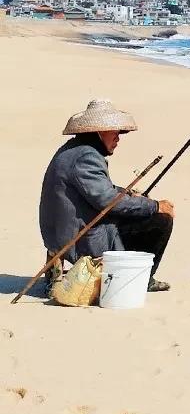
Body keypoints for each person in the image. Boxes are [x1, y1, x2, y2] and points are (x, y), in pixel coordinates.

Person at [39, 98, 176, 293]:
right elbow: (107, 202)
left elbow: (97, 189)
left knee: (138, 205)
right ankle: (141, 278)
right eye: (115, 133)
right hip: (79, 239)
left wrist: (128, 193)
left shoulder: (73, 149)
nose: (118, 138)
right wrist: (154, 206)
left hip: (59, 232)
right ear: (100, 131)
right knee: (161, 220)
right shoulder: (88, 157)